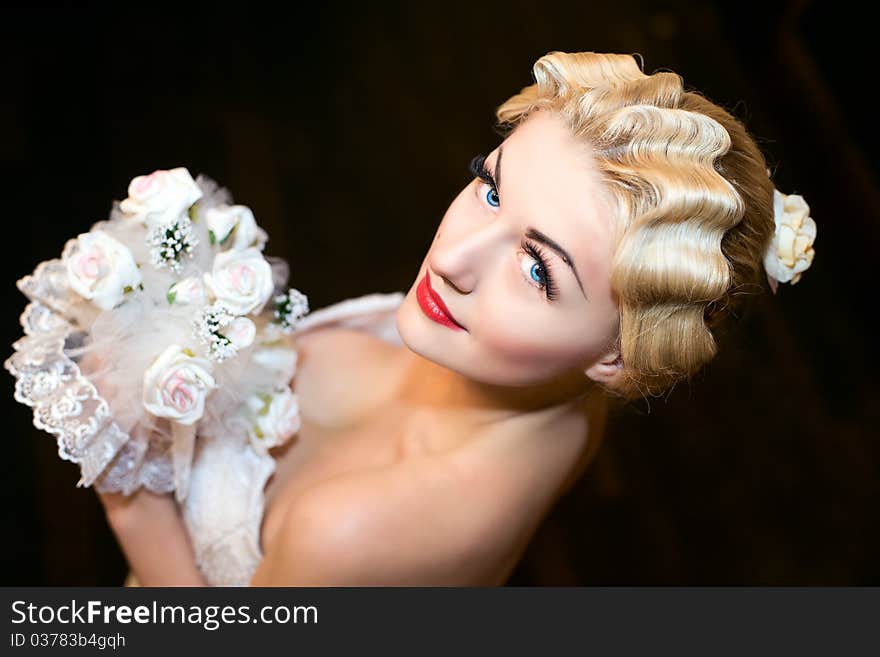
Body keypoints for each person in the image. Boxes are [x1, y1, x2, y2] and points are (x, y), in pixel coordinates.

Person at [9, 51, 817, 586]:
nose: (455, 255)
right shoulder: (560, 387)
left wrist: (126, 482)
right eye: (492, 186)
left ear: (620, 356)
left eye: (537, 265)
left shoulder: (357, 529)